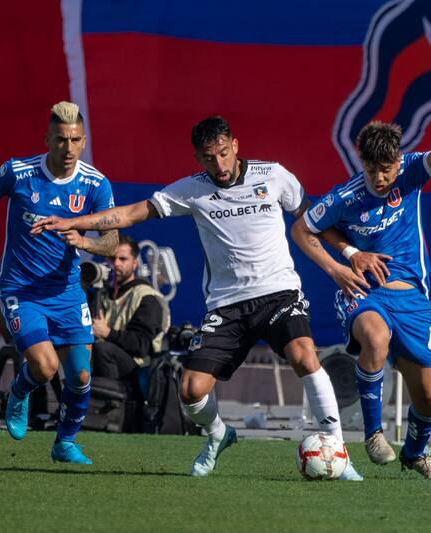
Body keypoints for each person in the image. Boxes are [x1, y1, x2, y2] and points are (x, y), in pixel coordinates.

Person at [32, 116, 362, 480]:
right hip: (227, 305)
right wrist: (76, 222)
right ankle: (219, 434)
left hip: (278, 293)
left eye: (223, 153)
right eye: (208, 158)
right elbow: (130, 213)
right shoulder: (192, 189)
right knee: (190, 390)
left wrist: (344, 258)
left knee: (304, 355)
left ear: (235, 145)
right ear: (198, 158)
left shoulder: (274, 176)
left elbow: (312, 220)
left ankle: (339, 451)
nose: (219, 164)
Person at [291, 114, 431, 481]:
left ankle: (415, 454)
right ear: (362, 162)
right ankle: (373, 433)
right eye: (372, 169)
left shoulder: (410, 171)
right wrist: (342, 264)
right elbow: (302, 229)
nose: (380, 177)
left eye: (386, 169)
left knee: (430, 397)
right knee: (375, 338)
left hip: (411, 299)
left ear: (397, 161)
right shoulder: (346, 196)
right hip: (363, 292)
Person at [0, 101, 118, 464]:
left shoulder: (95, 183)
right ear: (47, 139)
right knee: (45, 367)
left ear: (84, 141)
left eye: (75, 140)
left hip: (67, 292)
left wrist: (86, 242)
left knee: (80, 374)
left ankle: (64, 443)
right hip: (21, 290)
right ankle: (18, 392)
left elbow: (112, 241)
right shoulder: (18, 172)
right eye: (61, 140)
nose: (68, 148)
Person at [89, 235, 170, 388]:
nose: (116, 264)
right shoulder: (102, 293)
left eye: (123, 259)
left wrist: (107, 333)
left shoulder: (146, 297)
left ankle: (110, 400)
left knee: (103, 349)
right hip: (104, 364)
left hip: (138, 371)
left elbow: (142, 346)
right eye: (112, 259)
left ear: (134, 263)